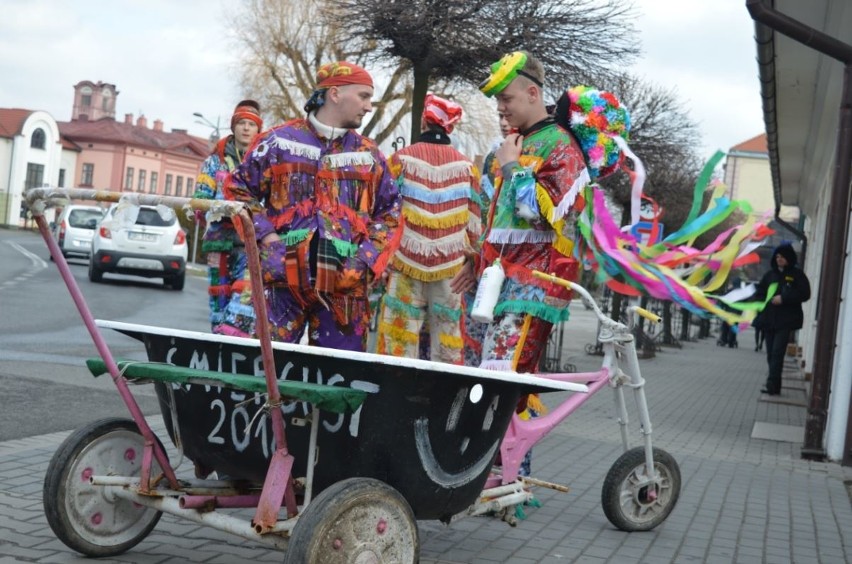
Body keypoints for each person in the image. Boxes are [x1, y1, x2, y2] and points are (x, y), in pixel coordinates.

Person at [451, 51, 589, 480]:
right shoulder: (514, 144)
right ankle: (474, 469)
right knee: (474, 376)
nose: (501, 108)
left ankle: (512, 477)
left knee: (504, 379)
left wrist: (512, 168)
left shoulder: (562, 146)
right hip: (494, 282)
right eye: (497, 103)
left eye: (508, 99)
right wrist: (478, 260)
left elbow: (545, 215)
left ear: (534, 93)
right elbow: (505, 221)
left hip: (533, 289)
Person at [225, 61, 401, 351]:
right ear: (334, 94)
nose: (369, 106)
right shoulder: (278, 142)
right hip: (284, 277)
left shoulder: (369, 155)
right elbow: (237, 190)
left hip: (346, 283)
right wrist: (268, 240)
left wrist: (365, 261)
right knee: (269, 372)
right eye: (364, 96)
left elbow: (391, 212)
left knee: (338, 379)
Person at [376, 94, 482, 364]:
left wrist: (382, 258)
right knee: (447, 341)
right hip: (451, 271)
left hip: (404, 264)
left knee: (398, 339)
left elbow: (384, 213)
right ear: (450, 127)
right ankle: (443, 401)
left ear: (424, 119)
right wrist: (473, 260)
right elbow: (474, 224)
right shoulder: (467, 168)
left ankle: (394, 396)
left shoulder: (399, 160)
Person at [193, 99, 263, 336]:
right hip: (219, 239)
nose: (246, 128)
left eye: (251, 124)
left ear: (258, 129)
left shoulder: (264, 161)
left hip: (251, 240)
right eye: (241, 123)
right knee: (219, 292)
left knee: (246, 289)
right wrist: (213, 207)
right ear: (233, 127)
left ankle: (235, 336)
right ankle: (218, 339)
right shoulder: (215, 161)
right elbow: (200, 199)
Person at [753, 243, 811, 395]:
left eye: (782, 257)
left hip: (785, 322)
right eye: (777, 257)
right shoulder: (770, 275)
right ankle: (775, 385)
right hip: (768, 321)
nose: (779, 259)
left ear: (789, 258)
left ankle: (771, 385)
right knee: (771, 354)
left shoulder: (797, 275)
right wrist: (763, 301)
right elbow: (759, 293)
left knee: (778, 353)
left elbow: (805, 294)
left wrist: (784, 298)